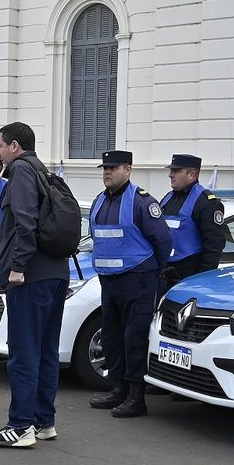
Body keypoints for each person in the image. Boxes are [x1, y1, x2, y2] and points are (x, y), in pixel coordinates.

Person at [0, 121, 69, 448]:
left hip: (30, 276)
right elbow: (27, 219)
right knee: (46, 350)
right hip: (56, 272)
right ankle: (44, 421)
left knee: (23, 351)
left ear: (15, 146)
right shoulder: (42, 171)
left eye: (1, 145)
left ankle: (20, 426)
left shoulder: (19, 170)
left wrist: (17, 267)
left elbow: (26, 220)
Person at [88, 151, 174, 418]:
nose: (107, 172)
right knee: (112, 336)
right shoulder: (99, 201)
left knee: (134, 338)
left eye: (113, 168)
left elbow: (163, 241)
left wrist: (152, 272)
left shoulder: (141, 201)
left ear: (128, 169)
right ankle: (118, 389)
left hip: (138, 279)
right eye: (105, 168)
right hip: (109, 281)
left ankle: (137, 397)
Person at [158, 154, 226, 284]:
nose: (171, 175)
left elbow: (213, 246)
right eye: (171, 171)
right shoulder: (168, 199)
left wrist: (201, 280)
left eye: (176, 171)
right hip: (165, 274)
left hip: (190, 274)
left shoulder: (206, 202)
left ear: (192, 174)